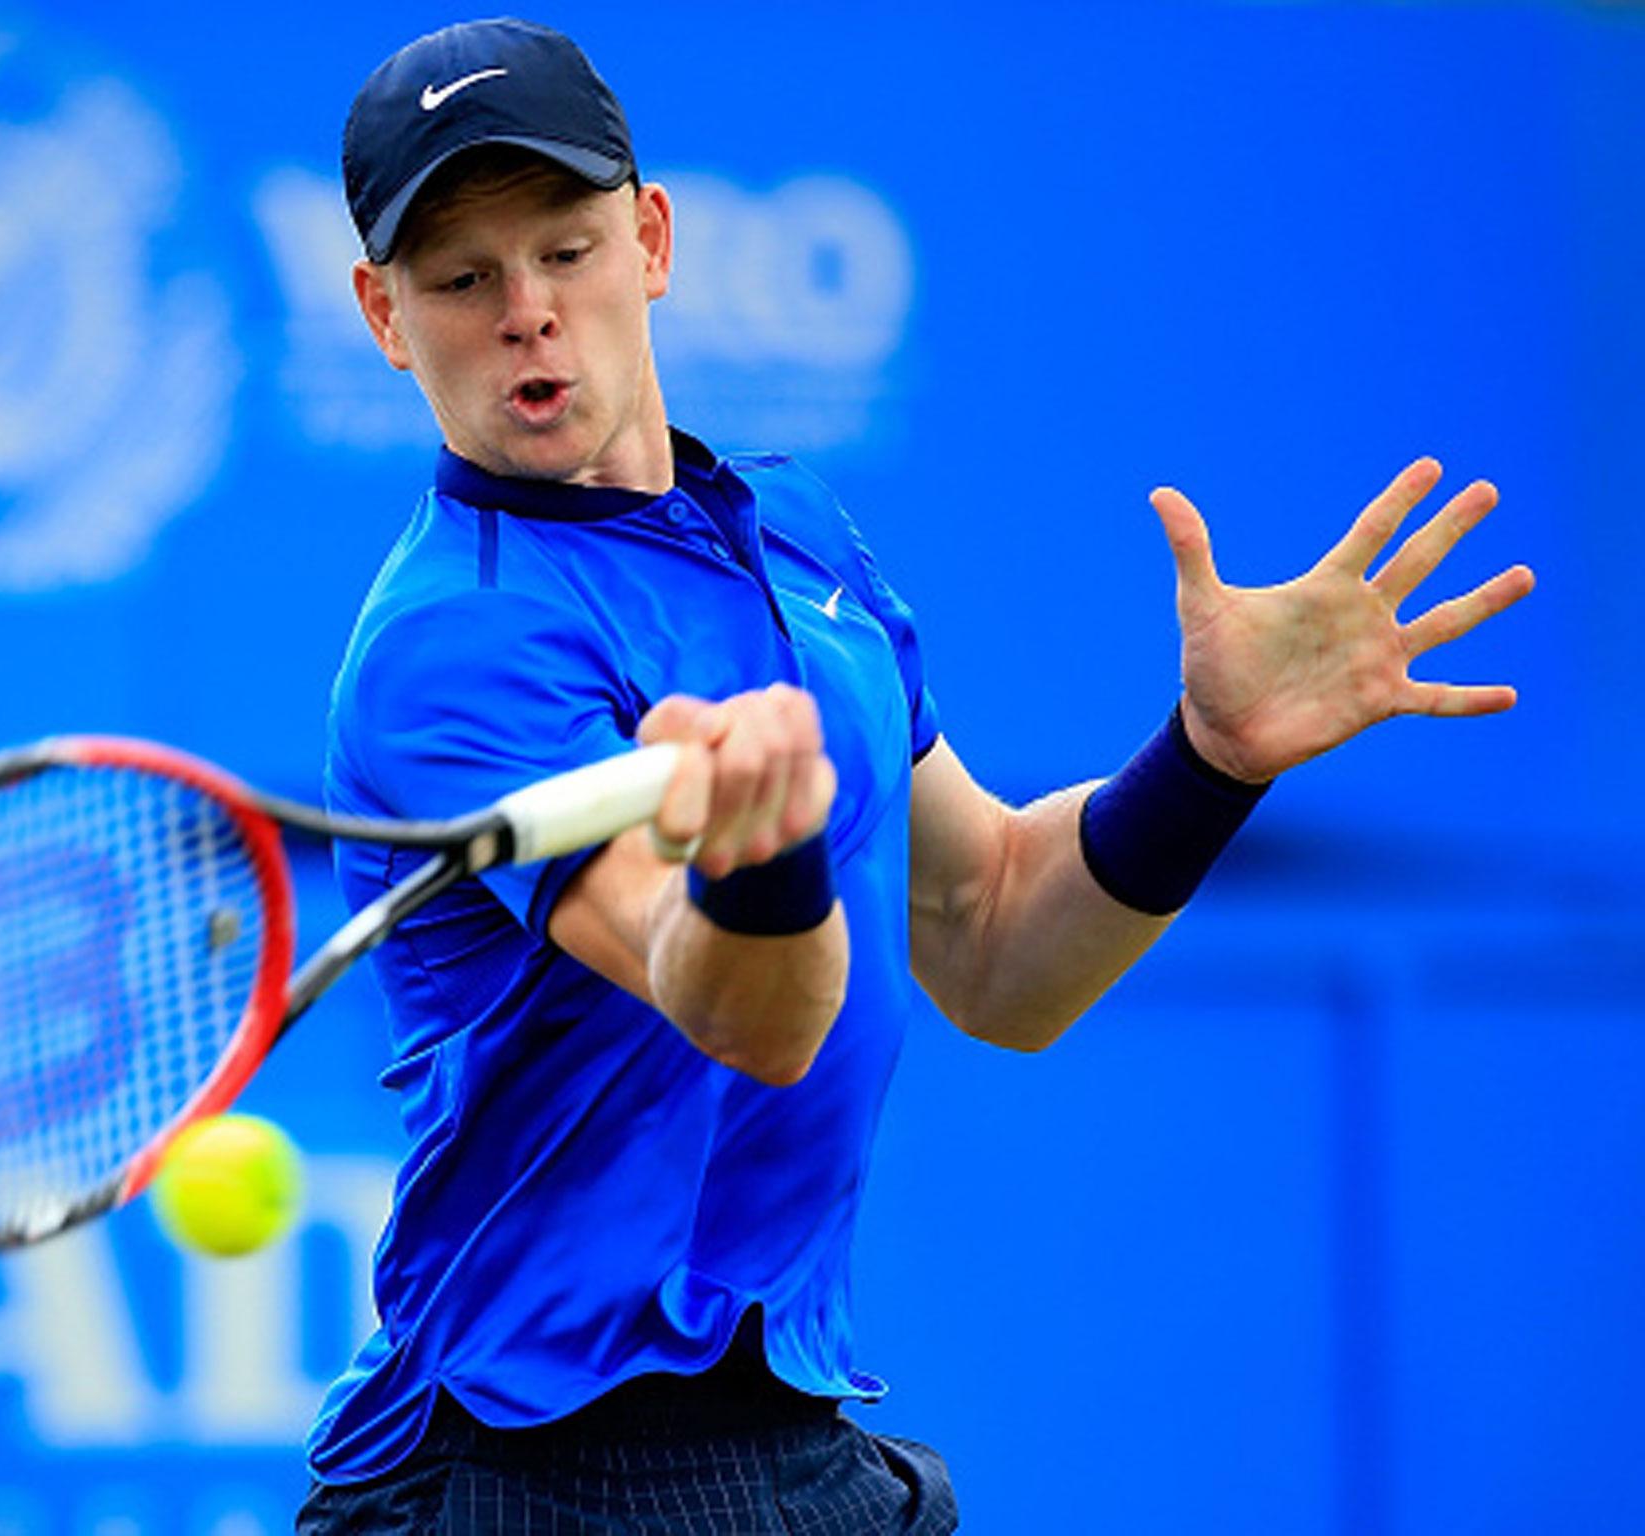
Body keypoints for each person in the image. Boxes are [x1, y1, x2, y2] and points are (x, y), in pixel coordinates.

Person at [301, 18, 1534, 1533]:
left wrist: (1208, 763)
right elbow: (748, 1009)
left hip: (792, 1443)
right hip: (528, 1477)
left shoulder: (795, 528)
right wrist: (766, 858)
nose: (529, 317)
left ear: (655, 239)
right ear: (381, 315)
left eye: (565, 249)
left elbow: (999, 939)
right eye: (461, 280)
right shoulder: (455, 643)